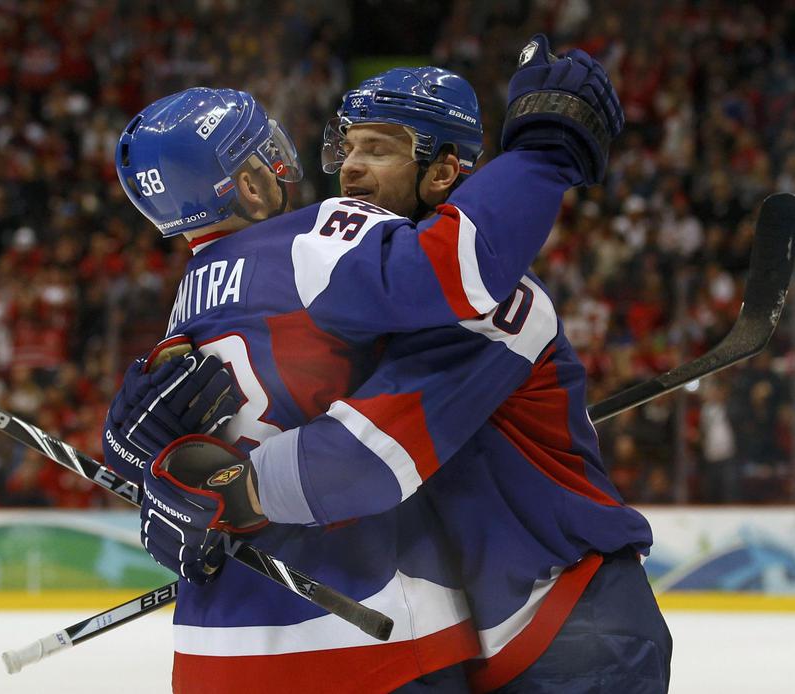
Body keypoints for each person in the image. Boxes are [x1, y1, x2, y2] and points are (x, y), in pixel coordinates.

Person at [108, 36, 668, 692]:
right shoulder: (343, 291)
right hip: (480, 631)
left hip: (567, 619)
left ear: (442, 172)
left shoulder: (485, 299)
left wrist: (226, 488)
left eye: (376, 149)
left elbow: (368, 455)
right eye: (345, 148)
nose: (349, 170)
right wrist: (157, 469)